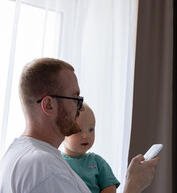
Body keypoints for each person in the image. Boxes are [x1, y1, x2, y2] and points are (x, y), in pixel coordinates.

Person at [0, 58, 160, 193]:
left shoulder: (16, 155)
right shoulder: (46, 169)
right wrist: (133, 185)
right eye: (74, 98)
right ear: (49, 105)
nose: (81, 107)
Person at [62, 102, 120, 193]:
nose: (86, 136)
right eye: (78, 130)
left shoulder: (97, 162)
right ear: (61, 132)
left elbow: (110, 187)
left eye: (91, 130)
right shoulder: (57, 161)